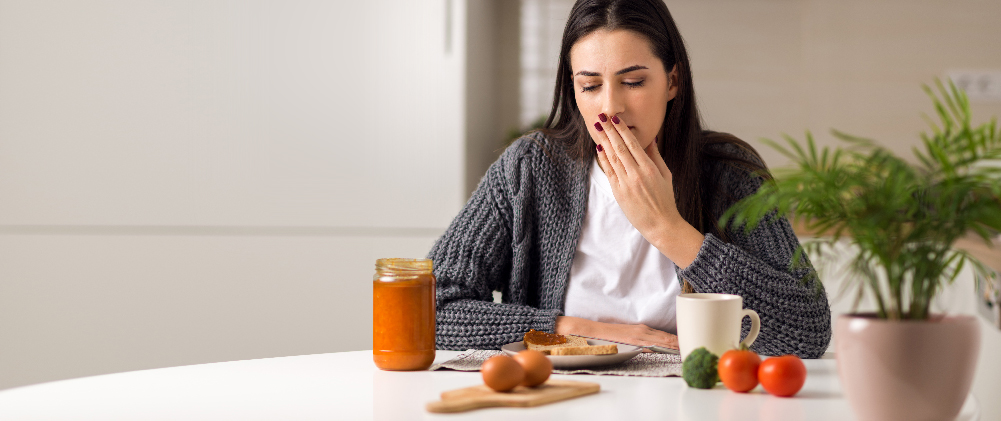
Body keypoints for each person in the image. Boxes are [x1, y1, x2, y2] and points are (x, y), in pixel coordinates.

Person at [427, 0, 831, 358]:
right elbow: (430, 307)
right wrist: (575, 329)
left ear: (672, 81)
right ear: (573, 88)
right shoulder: (530, 168)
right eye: (590, 85)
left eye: (634, 82)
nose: (610, 107)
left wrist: (668, 228)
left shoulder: (731, 173)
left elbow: (807, 332)